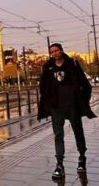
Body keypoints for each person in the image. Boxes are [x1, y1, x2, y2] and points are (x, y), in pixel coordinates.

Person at [37, 43, 95, 179]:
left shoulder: (72, 64)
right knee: (58, 135)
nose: (54, 53)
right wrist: (48, 103)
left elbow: (85, 84)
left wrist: (82, 101)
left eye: (57, 50)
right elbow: (43, 86)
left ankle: (81, 158)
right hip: (56, 107)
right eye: (52, 52)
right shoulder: (48, 67)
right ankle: (59, 164)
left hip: (72, 105)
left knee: (78, 132)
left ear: (61, 51)